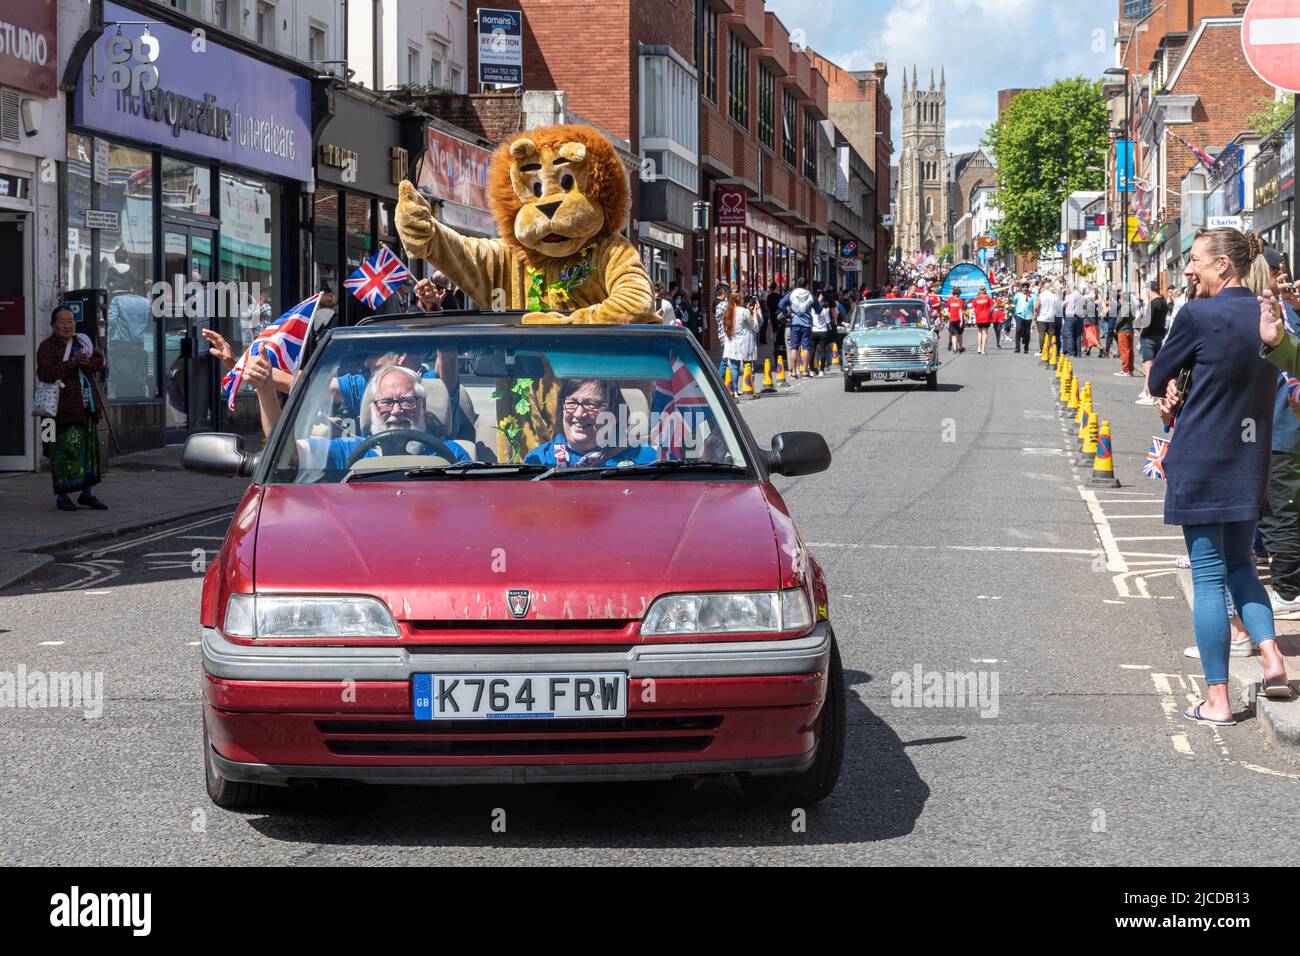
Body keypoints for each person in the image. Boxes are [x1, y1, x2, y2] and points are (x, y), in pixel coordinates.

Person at [1150, 227, 1292, 724]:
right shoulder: (1269, 315)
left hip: (1205, 457)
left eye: (1195, 261)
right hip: (1251, 456)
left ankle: (1217, 699)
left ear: (1223, 267)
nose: (1188, 270)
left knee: (1209, 578)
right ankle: (1272, 658)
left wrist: (1169, 383)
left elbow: (1154, 375)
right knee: (1242, 567)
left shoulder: (1197, 314)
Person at [36, 307, 108, 511]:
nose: (68, 325)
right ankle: (62, 496)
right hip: (58, 412)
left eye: (71, 321)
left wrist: (86, 361)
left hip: (86, 408)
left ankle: (88, 493)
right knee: (61, 453)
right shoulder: (47, 347)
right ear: (53, 325)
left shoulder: (81, 341)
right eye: (62, 322)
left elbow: (98, 360)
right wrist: (72, 362)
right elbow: (46, 373)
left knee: (88, 454)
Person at [524, 378, 659, 468]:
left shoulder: (649, 459)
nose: (579, 414)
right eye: (571, 403)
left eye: (592, 404)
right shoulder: (540, 460)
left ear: (616, 413)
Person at [1135, 281, 1168, 405]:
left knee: (1147, 365)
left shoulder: (1152, 303)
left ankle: (1150, 394)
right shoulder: (1163, 303)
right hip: (1158, 336)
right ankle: (1145, 390)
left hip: (1148, 336)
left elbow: (1146, 322)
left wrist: (1141, 333)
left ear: (1150, 290)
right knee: (1151, 364)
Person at [720, 291, 759, 394]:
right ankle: (748, 389)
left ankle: (734, 390)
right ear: (740, 300)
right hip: (745, 342)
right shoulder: (744, 311)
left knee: (734, 366)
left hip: (731, 342)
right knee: (747, 365)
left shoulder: (727, 311)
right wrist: (755, 312)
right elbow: (755, 326)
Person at [779, 278, 815, 378]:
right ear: (807, 285)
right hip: (807, 324)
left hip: (795, 324)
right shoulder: (809, 294)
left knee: (794, 347)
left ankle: (794, 372)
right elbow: (818, 307)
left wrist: (787, 313)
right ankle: (804, 371)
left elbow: (781, 304)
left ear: (797, 284)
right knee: (806, 348)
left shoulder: (791, 294)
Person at [1114, 288, 1136, 376]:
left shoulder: (1124, 307)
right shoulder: (1132, 307)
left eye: (1120, 298)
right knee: (1130, 350)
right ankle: (1130, 369)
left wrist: (1115, 327)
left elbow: (1120, 319)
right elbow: (1134, 318)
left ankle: (1125, 370)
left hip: (1123, 331)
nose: (1120, 300)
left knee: (1124, 350)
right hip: (1130, 330)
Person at [810, 291, 833, 374]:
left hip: (813, 331)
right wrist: (830, 332)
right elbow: (828, 322)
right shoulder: (825, 310)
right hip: (823, 331)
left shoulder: (812, 309)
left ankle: (811, 370)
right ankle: (821, 370)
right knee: (823, 351)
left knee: (812, 351)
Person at [1035, 281, 1058, 353]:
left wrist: (1036, 313)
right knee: (1051, 334)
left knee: (1041, 335)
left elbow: (1036, 307)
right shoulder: (1054, 296)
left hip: (1042, 317)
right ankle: (1052, 349)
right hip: (1051, 318)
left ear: (1044, 288)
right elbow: (1056, 308)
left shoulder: (1041, 295)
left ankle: (1042, 349)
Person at [972, 285, 994, 355]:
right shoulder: (988, 298)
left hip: (979, 317)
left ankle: (979, 347)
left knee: (980, 332)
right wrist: (990, 314)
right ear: (985, 290)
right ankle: (983, 349)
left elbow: (974, 309)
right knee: (985, 333)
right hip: (986, 316)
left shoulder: (976, 299)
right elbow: (992, 308)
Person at [1012, 283, 1033, 353]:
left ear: (1028, 288)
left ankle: (1026, 347)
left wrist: (1035, 315)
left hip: (1029, 316)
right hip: (1019, 315)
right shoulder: (1018, 295)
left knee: (1027, 333)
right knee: (1018, 330)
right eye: (1023, 287)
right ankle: (1017, 347)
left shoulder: (1031, 296)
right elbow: (1014, 302)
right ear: (1022, 288)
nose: (1025, 289)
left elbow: (1034, 306)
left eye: (1026, 287)